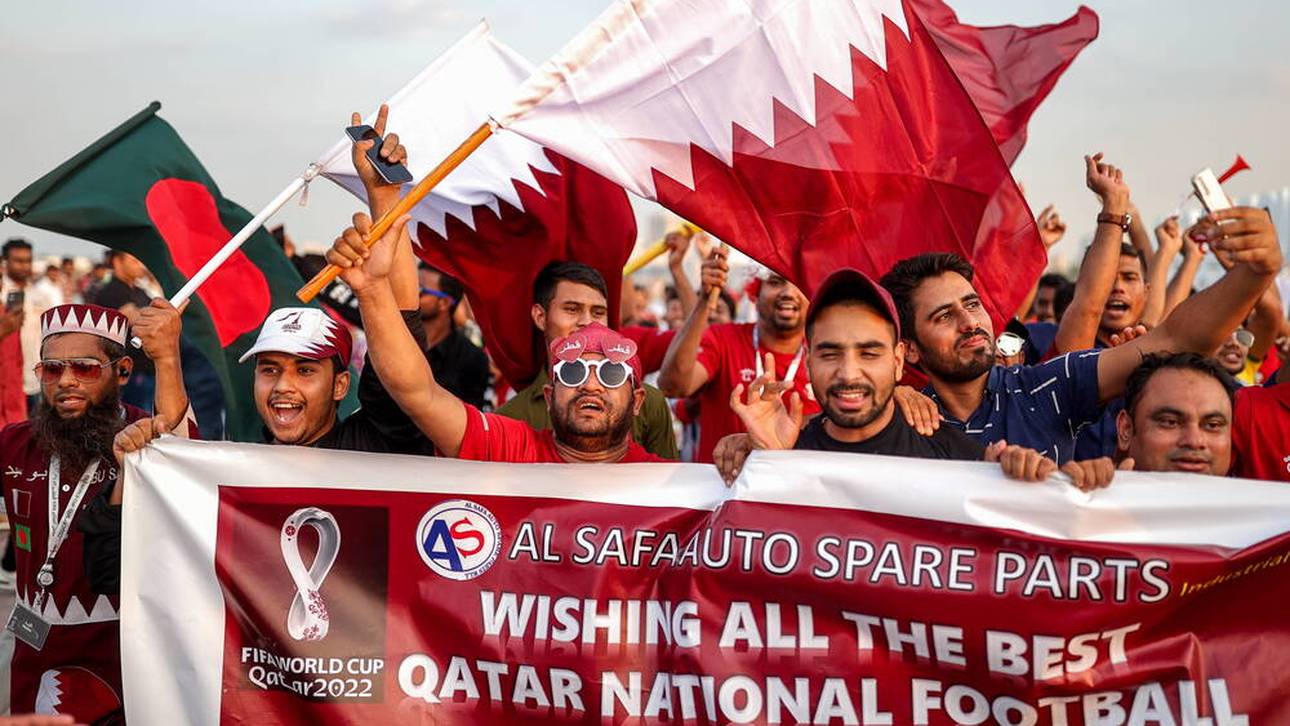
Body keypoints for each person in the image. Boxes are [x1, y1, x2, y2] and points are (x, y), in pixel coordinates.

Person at [877, 200, 1283, 464]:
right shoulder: (897, 418)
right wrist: (886, 399)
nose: (969, 323)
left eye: (971, 304)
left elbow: (1175, 341)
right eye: (944, 316)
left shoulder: (1043, 389)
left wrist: (1257, 272)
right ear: (908, 350)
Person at [712, 268, 1117, 490]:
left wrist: (1050, 486)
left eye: (869, 352)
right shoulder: (777, 449)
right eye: (830, 353)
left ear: (899, 359)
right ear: (809, 359)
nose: (849, 372)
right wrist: (769, 463)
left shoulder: (958, 453)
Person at [327, 206, 667, 464]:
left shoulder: (667, 483)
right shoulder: (511, 447)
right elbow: (418, 394)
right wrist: (371, 290)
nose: (591, 385)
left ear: (638, 402)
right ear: (548, 397)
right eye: (574, 372)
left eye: (610, 373)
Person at [0, 302, 192, 721]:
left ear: (122, 371)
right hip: (31, 652)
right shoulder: (16, 444)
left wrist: (167, 357)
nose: (66, 381)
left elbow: (185, 448)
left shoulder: (146, 438)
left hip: (120, 651)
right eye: (51, 369)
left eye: (85, 368)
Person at [495, 260, 678, 459]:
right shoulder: (512, 416)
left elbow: (666, 484)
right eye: (572, 309)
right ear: (540, 316)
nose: (587, 322)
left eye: (598, 312)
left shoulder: (648, 403)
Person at [658, 249, 820, 462]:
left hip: (796, 492)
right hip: (724, 489)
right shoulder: (723, 339)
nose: (788, 293)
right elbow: (674, 386)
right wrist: (704, 303)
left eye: (798, 284)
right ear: (756, 291)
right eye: (775, 282)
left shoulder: (824, 353)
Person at [1113, 352, 1237, 476]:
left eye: (1213, 425)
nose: (1194, 441)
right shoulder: (1096, 491)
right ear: (1126, 429)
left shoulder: (1253, 495)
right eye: (1170, 422)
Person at [417, 262, 489, 409]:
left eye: (421, 290)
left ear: (444, 302)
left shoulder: (472, 359)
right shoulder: (400, 340)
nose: (412, 294)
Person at [2, 238, 64, 411]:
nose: (24, 266)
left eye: (27, 261)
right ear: (6, 261)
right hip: (6, 379)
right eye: (18, 261)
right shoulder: (2, 294)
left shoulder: (38, 293)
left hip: (36, 378)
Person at [91, 251, 155, 410]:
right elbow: (137, 318)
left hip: (148, 369)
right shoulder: (111, 291)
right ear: (117, 262)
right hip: (127, 373)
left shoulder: (141, 292)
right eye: (134, 261)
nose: (140, 265)